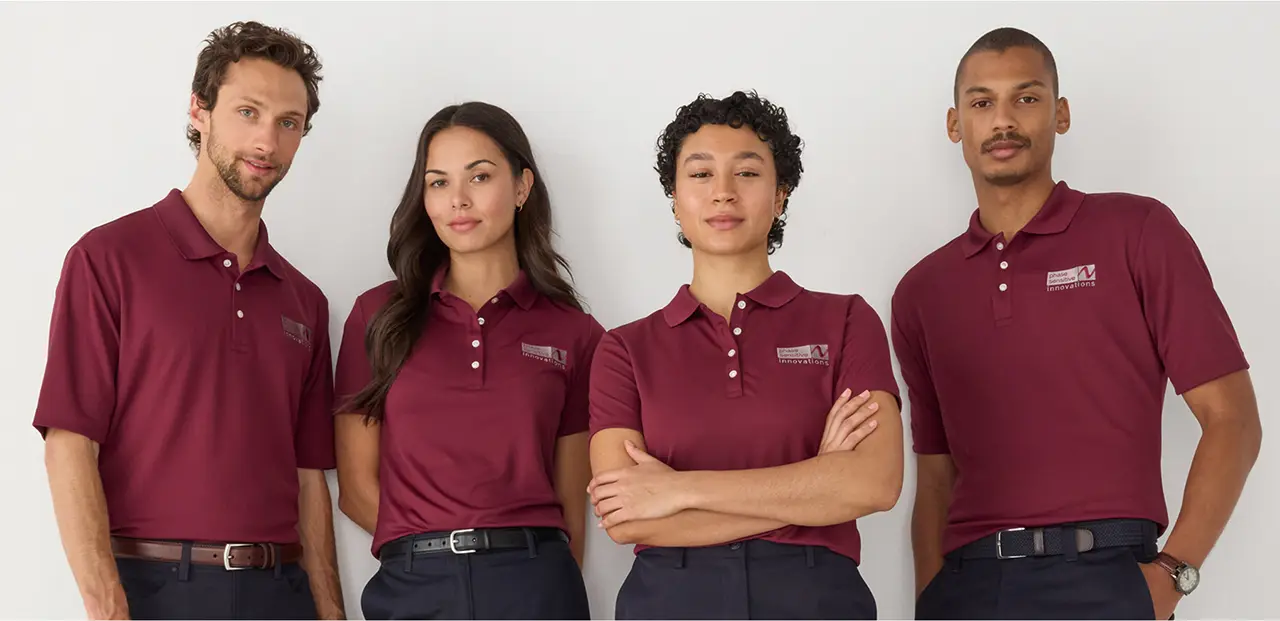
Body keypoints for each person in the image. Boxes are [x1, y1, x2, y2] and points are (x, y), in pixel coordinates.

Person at [893, 27, 1263, 621]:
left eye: (1027, 97)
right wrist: (930, 600)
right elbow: (936, 473)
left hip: (1108, 576)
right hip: (970, 587)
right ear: (955, 124)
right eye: (982, 102)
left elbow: (1233, 420)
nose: (1003, 120)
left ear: (1060, 114)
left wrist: (1173, 574)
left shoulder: (1138, 232)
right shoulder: (921, 291)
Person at [34, 21, 344, 620]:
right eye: (248, 112)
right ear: (199, 110)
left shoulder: (304, 301)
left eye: (288, 123)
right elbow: (69, 444)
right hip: (155, 590)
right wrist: (108, 608)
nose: (267, 140)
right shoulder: (108, 259)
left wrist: (330, 611)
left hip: (280, 594)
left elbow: (310, 479)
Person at [587, 90, 903, 620]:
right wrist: (815, 485)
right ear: (674, 198)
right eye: (701, 173)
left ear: (780, 196)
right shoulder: (624, 348)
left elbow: (874, 483)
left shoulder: (847, 320)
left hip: (817, 601)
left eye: (748, 173)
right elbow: (628, 518)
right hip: (671, 604)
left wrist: (679, 490)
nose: (723, 193)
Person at [334, 101, 601, 620]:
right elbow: (356, 489)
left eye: (479, 177)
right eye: (438, 182)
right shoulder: (377, 317)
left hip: (536, 586)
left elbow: (572, 505)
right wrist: (431, 552)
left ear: (522, 187)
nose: (458, 199)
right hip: (413, 587)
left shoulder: (576, 333)